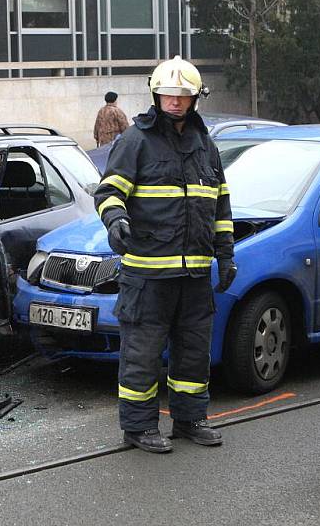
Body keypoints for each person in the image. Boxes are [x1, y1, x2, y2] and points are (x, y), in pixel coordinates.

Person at [94, 56, 236, 454]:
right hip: (148, 276)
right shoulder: (135, 140)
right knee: (142, 354)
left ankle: (190, 419)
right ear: (156, 95)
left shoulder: (206, 146)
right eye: (168, 95)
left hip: (194, 276)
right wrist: (116, 221)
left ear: (194, 99)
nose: (174, 102)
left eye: (182, 96)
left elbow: (220, 205)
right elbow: (108, 192)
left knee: (193, 353)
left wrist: (225, 257)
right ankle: (138, 428)